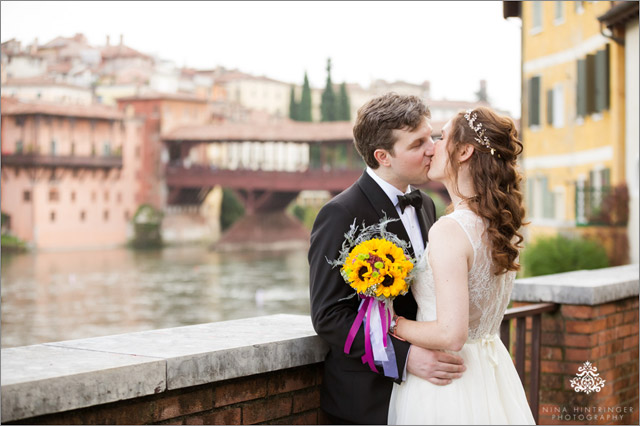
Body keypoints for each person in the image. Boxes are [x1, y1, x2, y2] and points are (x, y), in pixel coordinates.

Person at [308, 93, 466, 425]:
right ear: (383, 156)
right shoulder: (339, 214)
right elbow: (329, 316)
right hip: (365, 399)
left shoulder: (425, 204)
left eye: (432, 137)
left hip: (425, 396)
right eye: (417, 143)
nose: (433, 148)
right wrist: (405, 358)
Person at [387, 106, 535, 424]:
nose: (433, 147)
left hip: (447, 383)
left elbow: (451, 334)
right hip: (492, 371)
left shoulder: (450, 229)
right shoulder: (502, 225)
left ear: (465, 151)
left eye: (442, 137)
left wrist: (391, 323)